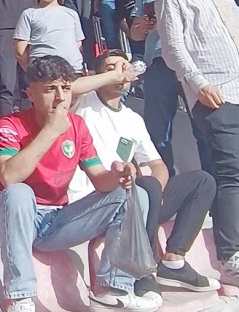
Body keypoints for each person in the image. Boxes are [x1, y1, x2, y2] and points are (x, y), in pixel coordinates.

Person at [0, 55, 158, 312]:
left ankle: (111, 289)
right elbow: (9, 177)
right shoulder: (11, 124)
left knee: (134, 193)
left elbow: (100, 179)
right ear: (30, 94)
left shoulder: (77, 125)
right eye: (50, 89)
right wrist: (50, 132)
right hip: (14, 219)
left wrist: (117, 175)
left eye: (66, 88)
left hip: (57, 220)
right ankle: (20, 297)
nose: (60, 97)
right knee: (19, 192)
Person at [68, 50, 219, 306]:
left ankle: (173, 261)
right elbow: (70, 88)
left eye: (125, 67)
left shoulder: (133, 119)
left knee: (201, 181)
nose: (121, 73)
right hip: (94, 201)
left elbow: (157, 164)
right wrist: (112, 75)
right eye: (112, 68)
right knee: (143, 187)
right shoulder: (84, 104)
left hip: (135, 199)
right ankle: (143, 273)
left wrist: (157, 192)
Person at [156, 0, 239, 286]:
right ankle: (230, 258)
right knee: (231, 173)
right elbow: (173, 49)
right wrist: (199, 84)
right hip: (212, 96)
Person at [130, 0, 211, 175]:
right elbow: (134, 34)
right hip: (159, 66)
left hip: (194, 65)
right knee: (158, 132)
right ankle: (165, 185)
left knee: (204, 129)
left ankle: (212, 185)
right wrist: (143, 26)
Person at [14, 0, 84, 74]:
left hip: (74, 71)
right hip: (44, 74)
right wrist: (34, 74)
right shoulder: (29, 14)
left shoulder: (72, 14)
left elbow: (78, 44)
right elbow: (19, 51)